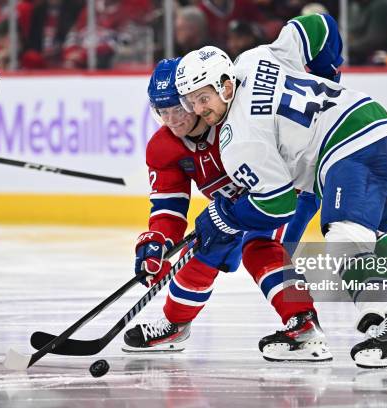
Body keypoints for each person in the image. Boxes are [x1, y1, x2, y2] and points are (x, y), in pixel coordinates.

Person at [176, 13, 387, 368]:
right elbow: (318, 25)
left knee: (343, 239)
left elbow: (278, 206)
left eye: (203, 98)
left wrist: (222, 216)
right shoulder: (253, 59)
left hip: (350, 149)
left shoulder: (237, 141)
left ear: (224, 85)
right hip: (386, 131)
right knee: (366, 237)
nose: (199, 110)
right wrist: (329, 75)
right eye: (191, 102)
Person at [122, 56, 331, 362]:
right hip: (235, 204)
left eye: (179, 109)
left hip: (287, 190)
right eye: (163, 112)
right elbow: (169, 207)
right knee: (201, 250)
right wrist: (158, 243)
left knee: (260, 246)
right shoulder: (163, 147)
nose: (173, 120)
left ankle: (304, 325)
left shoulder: (233, 120)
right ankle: (176, 325)